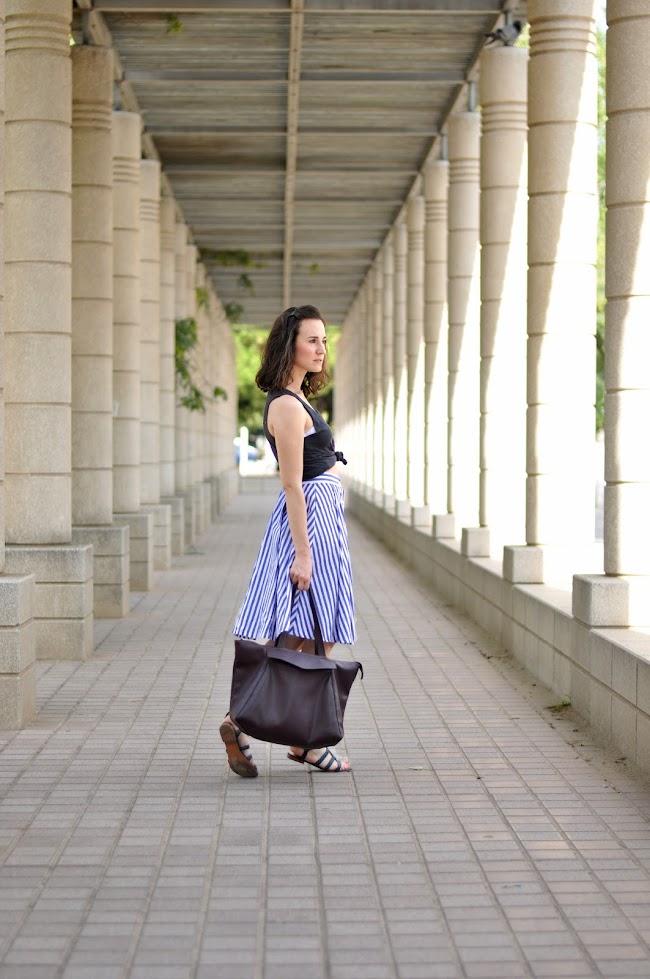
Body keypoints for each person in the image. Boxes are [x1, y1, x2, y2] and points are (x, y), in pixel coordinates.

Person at [220, 304, 356, 777]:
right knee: (310, 633)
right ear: (289, 345)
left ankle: (278, 732)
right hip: (311, 523)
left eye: (324, 341)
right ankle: (297, 738)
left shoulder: (297, 400)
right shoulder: (284, 404)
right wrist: (303, 553)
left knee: (312, 634)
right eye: (312, 340)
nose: (321, 349)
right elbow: (293, 483)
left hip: (322, 522)